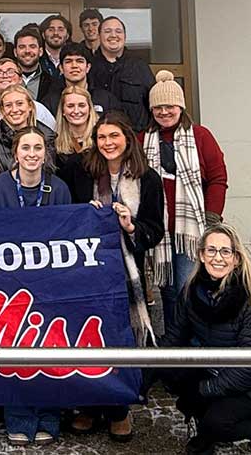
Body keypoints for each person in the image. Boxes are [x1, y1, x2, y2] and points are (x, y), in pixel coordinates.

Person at [70, 111, 165, 441]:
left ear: (128, 139)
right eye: (102, 137)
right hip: (87, 272)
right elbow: (68, 217)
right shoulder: (85, 174)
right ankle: (88, 405)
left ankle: (118, 408)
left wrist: (129, 226)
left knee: (119, 338)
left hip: (127, 273)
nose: (108, 143)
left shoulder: (148, 179)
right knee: (86, 337)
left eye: (114, 136)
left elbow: (155, 231)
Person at [163, 225, 251, 455]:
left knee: (218, 422)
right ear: (201, 255)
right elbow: (175, 337)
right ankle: (207, 434)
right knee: (187, 400)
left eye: (225, 251)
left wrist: (206, 389)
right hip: (216, 372)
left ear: (236, 259)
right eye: (211, 250)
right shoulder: (191, 292)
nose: (217, 258)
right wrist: (149, 372)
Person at [0, 127, 72, 446]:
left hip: (51, 283)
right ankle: (18, 415)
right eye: (26, 148)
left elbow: (69, 231)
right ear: (16, 152)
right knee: (15, 349)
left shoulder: (59, 187)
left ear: (46, 153)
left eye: (38, 147)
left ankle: (49, 414)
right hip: (12, 284)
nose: (32, 154)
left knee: (51, 348)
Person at [144, 71, 228, 319]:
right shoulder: (144, 139)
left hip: (190, 232)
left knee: (187, 288)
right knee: (167, 292)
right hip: (159, 232)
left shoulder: (201, 137)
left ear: (180, 106)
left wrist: (212, 218)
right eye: (158, 107)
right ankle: (174, 345)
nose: (164, 112)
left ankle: (193, 346)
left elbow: (218, 178)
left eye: (170, 106)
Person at [0, 84, 57, 186]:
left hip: (43, 198)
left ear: (30, 106)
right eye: (8, 105)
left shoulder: (47, 137)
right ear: (2, 109)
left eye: (19, 103)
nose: (14, 110)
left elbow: (53, 174)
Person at [89, 16, 155, 131]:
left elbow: (153, 103)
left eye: (118, 31)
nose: (113, 35)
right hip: (100, 139)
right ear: (99, 36)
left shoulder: (139, 66)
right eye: (107, 31)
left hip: (135, 138)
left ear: (125, 37)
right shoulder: (89, 67)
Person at [53, 84, 98, 201]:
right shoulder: (54, 143)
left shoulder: (101, 139)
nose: (76, 111)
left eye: (82, 105)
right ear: (63, 111)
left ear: (89, 109)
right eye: (70, 106)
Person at [0, 57, 56, 130]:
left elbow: (52, 135)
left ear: (20, 79)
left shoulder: (38, 109)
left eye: (10, 72)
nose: (5, 76)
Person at [55, 42, 118, 115]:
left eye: (80, 61)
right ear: (61, 68)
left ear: (88, 67)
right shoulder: (52, 101)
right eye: (68, 61)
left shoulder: (106, 99)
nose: (74, 65)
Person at [13, 26, 63, 108]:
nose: (27, 51)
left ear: (40, 51)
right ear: (15, 52)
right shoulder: (5, 80)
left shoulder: (52, 83)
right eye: (22, 47)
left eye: (32, 46)